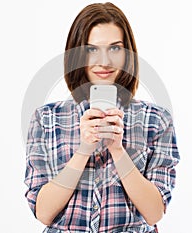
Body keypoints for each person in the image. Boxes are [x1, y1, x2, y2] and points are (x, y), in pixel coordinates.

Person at [24, 2, 180, 233]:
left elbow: (154, 212)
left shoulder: (156, 119)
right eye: (92, 49)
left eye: (115, 48)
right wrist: (84, 149)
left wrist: (117, 149)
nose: (104, 61)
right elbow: (44, 213)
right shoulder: (46, 119)